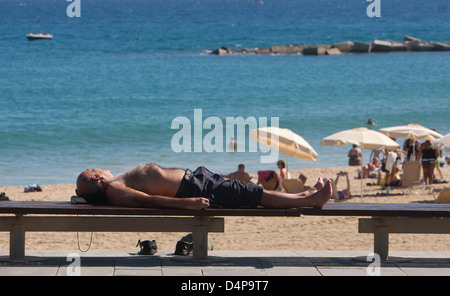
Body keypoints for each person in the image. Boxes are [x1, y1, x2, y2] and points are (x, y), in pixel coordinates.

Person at [76, 163, 332, 210]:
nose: (97, 167)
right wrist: (187, 204)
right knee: (254, 195)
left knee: (251, 192)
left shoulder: (115, 186)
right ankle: (310, 200)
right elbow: (147, 200)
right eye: (92, 169)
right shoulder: (116, 190)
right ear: (97, 178)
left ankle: (305, 194)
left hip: (196, 182)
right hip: (194, 190)